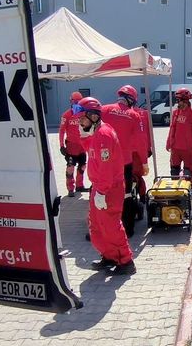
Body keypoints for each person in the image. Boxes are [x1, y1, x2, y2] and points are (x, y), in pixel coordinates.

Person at [74, 97, 136, 275]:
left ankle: (125, 261)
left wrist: (101, 192)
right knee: (96, 225)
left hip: (109, 188)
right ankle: (109, 256)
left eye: (82, 118)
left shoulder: (104, 135)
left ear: (93, 116)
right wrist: (84, 134)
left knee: (110, 226)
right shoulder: (96, 132)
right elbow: (90, 151)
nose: (80, 120)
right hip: (100, 187)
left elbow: (106, 167)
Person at [101, 85, 149, 237]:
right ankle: (127, 230)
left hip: (105, 162)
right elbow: (142, 141)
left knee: (103, 193)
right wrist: (144, 162)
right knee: (126, 194)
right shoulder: (134, 115)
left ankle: (103, 228)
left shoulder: (104, 110)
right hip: (124, 162)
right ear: (131, 100)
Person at [166, 87, 192, 177]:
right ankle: (175, 191)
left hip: (188, 150)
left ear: (185, 101)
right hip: (175, 149)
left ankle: (189, 191)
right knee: (174, 173)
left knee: (187, 175)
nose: (177, 103)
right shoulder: (175, 113)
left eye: (178, 101)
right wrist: (168, 143)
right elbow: (172, 128)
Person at [59, 91, 88, 197]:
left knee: (83, 166)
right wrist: (61, 145)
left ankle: (79, 186)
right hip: (71, 147)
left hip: (83, 146)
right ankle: (70, 188)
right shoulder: (66, 115)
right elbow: (61, 131)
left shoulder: (85, 114)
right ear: (71, 101)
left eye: (79, 101)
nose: (76, 103)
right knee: (70, 167)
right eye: (74, 101)